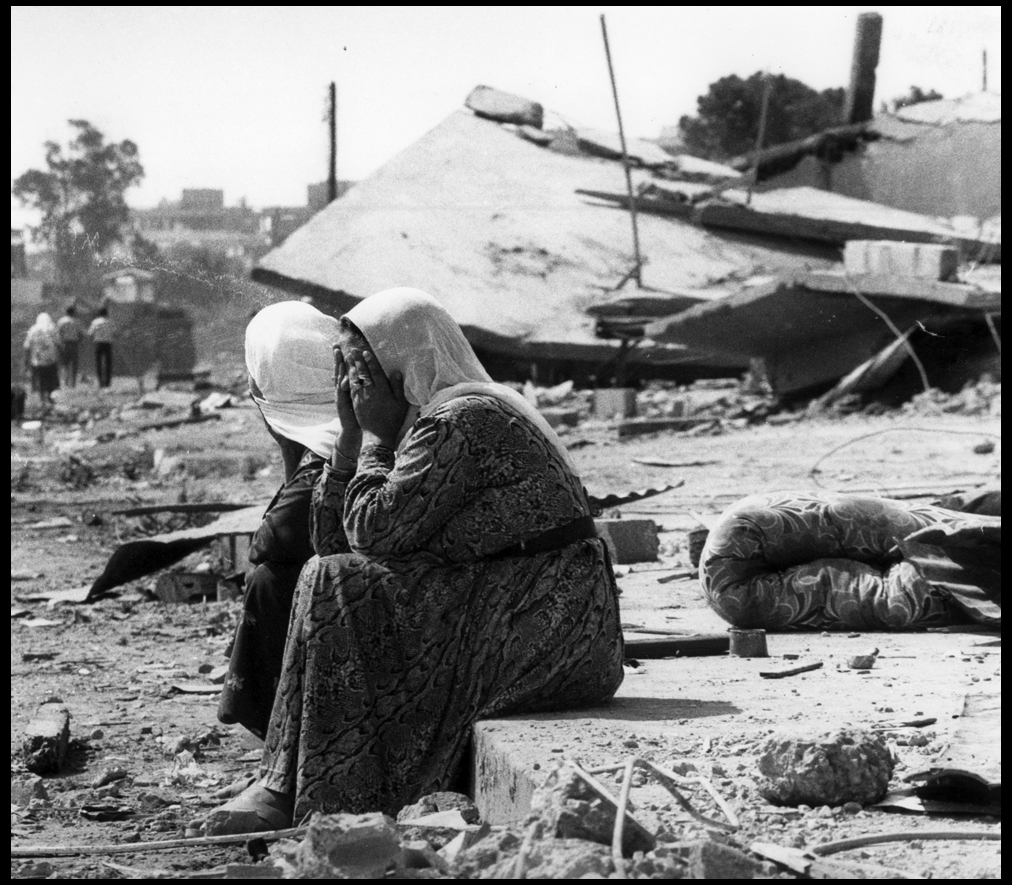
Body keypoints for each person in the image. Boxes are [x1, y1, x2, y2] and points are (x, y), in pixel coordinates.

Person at [198, 288, 624, 834]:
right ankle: (291, 779)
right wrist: (350, 437)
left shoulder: (462, 418)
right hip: (514, 601)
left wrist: (370, 437)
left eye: (361, 373)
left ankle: (325, 794)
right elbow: (334, 540)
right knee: (329, 576)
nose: (352, 390)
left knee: (335, 584)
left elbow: (373, 532)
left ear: (403, 367)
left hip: (554, 629)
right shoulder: (431, 420)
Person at [216, 302, 335, 742]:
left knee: (268, 580)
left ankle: (277, 732)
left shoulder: (338, 445)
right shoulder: (352, 421)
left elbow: (271, 540)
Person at [23, 312, 61, 410]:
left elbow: (27, 346)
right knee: (51, 380)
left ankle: (42, 400)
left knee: (40, 381)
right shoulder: (52, 328)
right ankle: (50, 399)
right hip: (51, 360)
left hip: (37, 360)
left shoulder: (33, 329)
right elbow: (58, 343)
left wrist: (26, 360)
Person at [56, 304, 83, 388]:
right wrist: (78, 342)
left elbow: (58, 333)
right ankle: (73, 383)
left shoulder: (61, 321)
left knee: (64, 363)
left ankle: (66, 382)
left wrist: (59, 344)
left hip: (64, 344)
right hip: (74, 344)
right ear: (73, 312)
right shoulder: (77, 321)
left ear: (66, 312)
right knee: (74, 364)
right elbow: (81, 334)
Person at [89, 305, 114, 388]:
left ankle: (100, 382)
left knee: (99, 363)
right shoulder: (110, 322)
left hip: (98, 344)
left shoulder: (95, 322)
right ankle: (107, 383)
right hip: (108, 344)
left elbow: (90, 333)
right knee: (108, 364)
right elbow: (115, 332)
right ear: (106, 313)